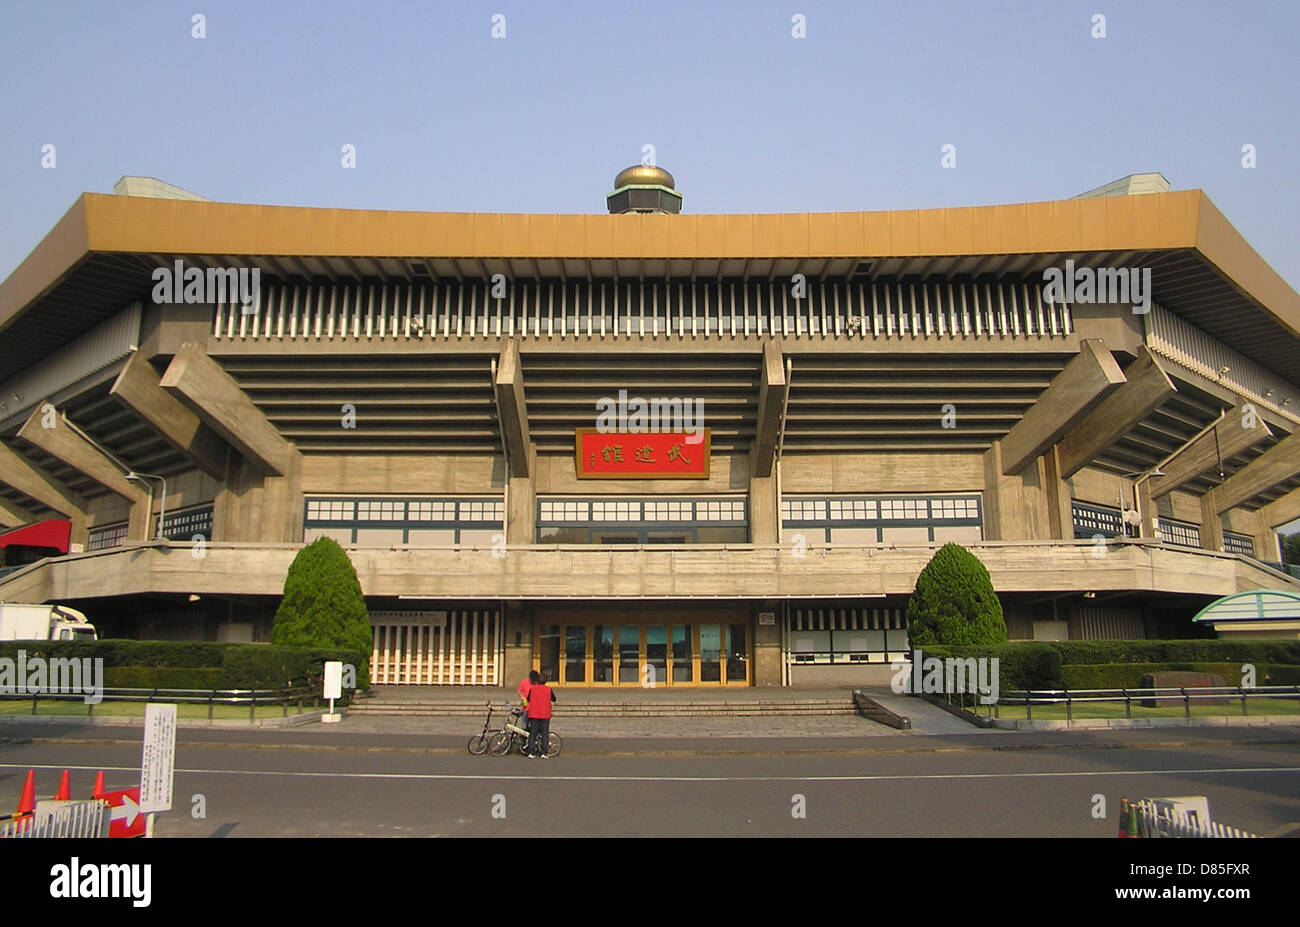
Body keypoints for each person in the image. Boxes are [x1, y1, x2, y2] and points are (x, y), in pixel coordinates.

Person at [525, 672, 556, 758]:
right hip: (545, 714)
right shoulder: (548, 690)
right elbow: (554, 699)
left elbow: (528, 699)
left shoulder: (532, 689)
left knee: (533, 733)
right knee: (544, 733)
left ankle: (531, 752)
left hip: (534, 714)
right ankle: (544, 752)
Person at [517, 670, 540, 740]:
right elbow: (519, 691)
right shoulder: (524, 682)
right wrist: (522, 697)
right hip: (526, 708)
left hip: (534, 709)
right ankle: (523, 741)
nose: (533, 682)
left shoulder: (538, 684)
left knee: (534, 727)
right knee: (524, 726)